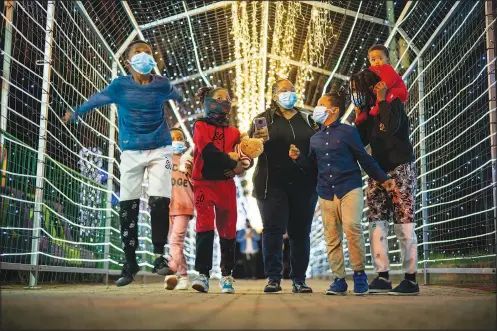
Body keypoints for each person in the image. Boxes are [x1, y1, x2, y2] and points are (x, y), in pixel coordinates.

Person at [63, 40, 182, 287]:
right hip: (131, 151)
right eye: (138, 53)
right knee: (128, 204)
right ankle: (130, 263)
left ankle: (159, 256)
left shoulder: (162, 84)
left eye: (148, 52)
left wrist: (190, 103)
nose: (144, 56)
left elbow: (177, 95)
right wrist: (76, 112)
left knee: (160, 200)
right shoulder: (120, 86)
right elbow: (98, 98)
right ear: (128, 62)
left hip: (161, 148)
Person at [289, 92, 396, 295]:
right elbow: (312, 168)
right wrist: (298, 158)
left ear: (334, 110)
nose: (317, 109)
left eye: (321, 104)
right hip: (325, 191)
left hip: (349, 187)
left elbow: (364, 158)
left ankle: (359, 275)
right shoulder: (315, 139)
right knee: (331, 236)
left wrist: (383, 178)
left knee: (353, 228)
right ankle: (339, 280)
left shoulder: (348, 132)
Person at [350, 68, 419, 295]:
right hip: (378, 173)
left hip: (400, 169)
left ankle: (410, 280)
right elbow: (359, 142)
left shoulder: (393, 102)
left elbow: (389, 128)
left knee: (404, 223)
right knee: (376, 223)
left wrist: (382, 100)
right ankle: (382, 276)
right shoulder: (368, 113)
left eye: (360, 89)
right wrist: (360, 118)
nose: (357, 94)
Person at [249, 79, 319, 293]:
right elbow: (250, 150)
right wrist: (255, 141)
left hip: (304, 183)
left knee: (300, 233)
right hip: (272, 183)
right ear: (274, 95)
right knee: (273, 230)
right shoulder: (262, 119)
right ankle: (273, 278)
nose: (289, 93)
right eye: (283, 90)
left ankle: (299, 279)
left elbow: (317, 146)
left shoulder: (308, 118)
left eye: (292, 90)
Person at [190, 86, 246, 294]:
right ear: (208, 101)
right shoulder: (199, 125)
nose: (225, 101)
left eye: (228, 98)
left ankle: (226, 274)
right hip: (203, 182)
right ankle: (202, 274)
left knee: (228, 228)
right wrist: (233, 164)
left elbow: (244, 154)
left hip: (225, 185)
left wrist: (247, 158)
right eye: (220, 98)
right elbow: (207, 151)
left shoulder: (235, 132)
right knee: (204, 226)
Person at [164, 128, 194, 291]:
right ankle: (183, 276)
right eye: (172, 138)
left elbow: (198, 184)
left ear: (184, 142)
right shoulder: (163, 160)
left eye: (180, 138)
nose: (176, 140)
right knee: (174, 243)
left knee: (176, 241)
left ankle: (171, 272)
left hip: (184, 206)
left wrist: (191, 171)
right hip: (166, 207)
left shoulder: (189, 159)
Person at [364, 44, 408, 119]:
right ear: (369, 61)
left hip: (396, 90)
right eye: (373, 60)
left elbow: (389, 80)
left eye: (380, 58)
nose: (377, 62)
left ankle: (378, 108)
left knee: (386, 98)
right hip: (386, 90)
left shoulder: (387, 68)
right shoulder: (371, 71)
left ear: (387, 59)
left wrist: (376, 88)